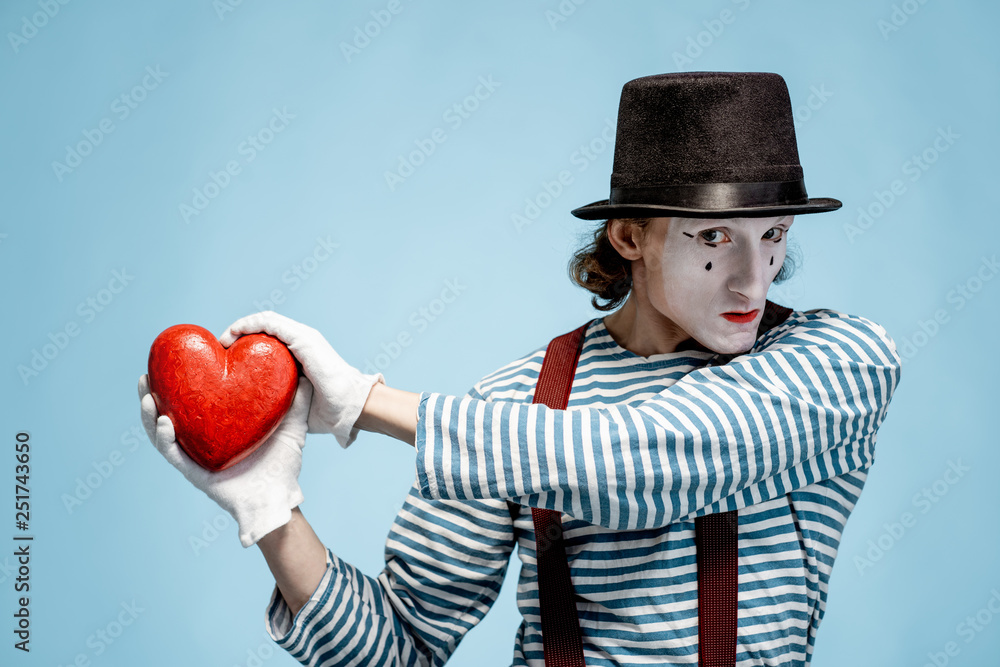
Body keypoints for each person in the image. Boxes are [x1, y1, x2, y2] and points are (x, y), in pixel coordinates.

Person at [139, 72, 902, 666]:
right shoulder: (511, 407)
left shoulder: (838, 364)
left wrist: (365, 402)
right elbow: (396, 650)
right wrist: (271, 512)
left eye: (771, 234)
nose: (754, 279)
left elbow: (648, 462)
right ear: (630, 237)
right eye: (714, 237)